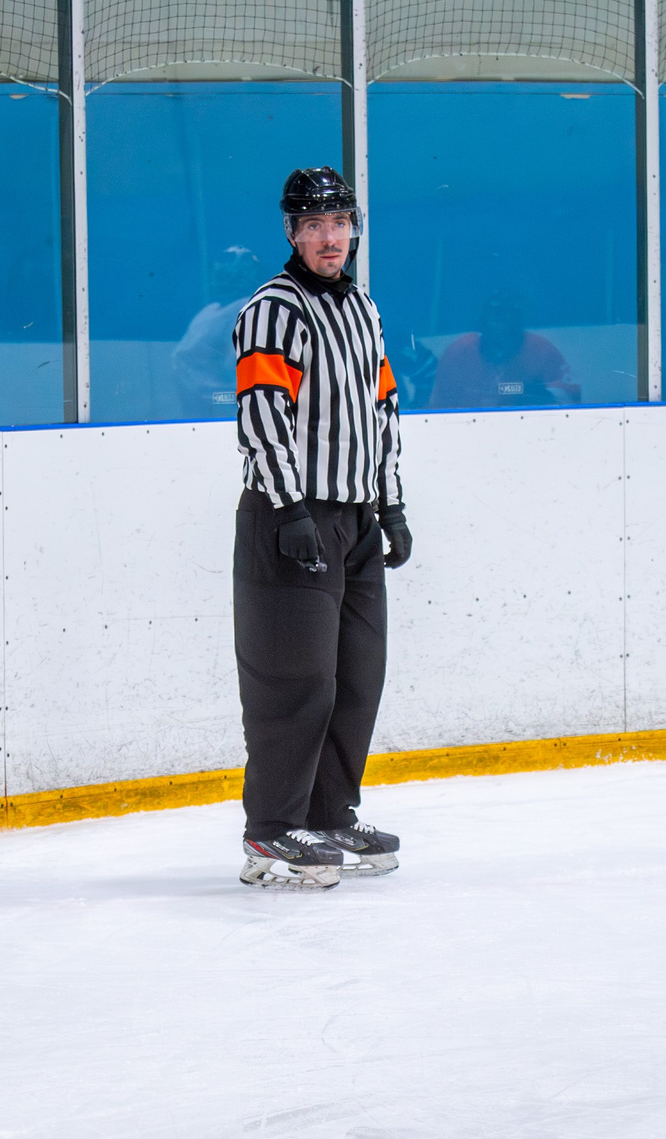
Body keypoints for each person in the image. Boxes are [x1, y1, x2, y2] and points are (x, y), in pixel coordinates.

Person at [229, 166, 414, 889]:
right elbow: (262, 416)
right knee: (294, 679)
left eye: (339, 223)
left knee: (356, 675)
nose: (329, 237)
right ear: (291, 234)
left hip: (356, 517)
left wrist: (390, 502)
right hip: (291, 517)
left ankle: (331, 810)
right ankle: (272, 829)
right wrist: (288, 508)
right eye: (313, 226)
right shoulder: (275, 310)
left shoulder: (362, 308)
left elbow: (383, 412)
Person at [426, 293, 580, 410]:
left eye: (505, 313)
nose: (498, 317)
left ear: (518, 321)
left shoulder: (541, 349)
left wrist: (536, 392)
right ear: (481, 322)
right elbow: (440, 407)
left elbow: (573, 395)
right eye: (493, 313)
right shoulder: (458, 353)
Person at [169, 246, 262, 418]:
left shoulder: (247, 308)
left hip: (226, 413)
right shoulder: (210, 311)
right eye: (223, 263)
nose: (224, 270)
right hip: (197, 410)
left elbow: (239, 366)